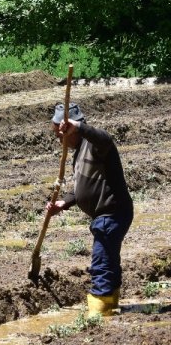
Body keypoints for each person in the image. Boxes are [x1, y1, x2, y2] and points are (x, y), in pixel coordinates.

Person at [45, 103, 133, 316]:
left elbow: (106, 139)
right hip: (105, 215)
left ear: (72, 129)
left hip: (111, 213)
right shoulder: (77, 152)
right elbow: (82, 188)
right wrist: (63, 203)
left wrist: (80, 127)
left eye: (60, 134)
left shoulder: (94, 144)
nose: (59, 140)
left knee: (101, 263)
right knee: (109, 260)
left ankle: (98, 314)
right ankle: (110, 305)